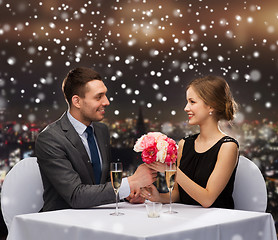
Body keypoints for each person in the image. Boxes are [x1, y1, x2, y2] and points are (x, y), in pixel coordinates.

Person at [35, 67, 156, 211]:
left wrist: (125, 194)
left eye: (105, 95)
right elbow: (76, 196)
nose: (107, 102)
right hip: (61, 224)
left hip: (97, 219)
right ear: (77, 102)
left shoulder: (101, 130)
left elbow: (102, 183)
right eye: (99, 97)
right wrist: (131, 182)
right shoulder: (50, 139)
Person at [141, 75, 239, 209]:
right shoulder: (184, 144)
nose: (186, 108)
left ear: (211, 106)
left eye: (192, 102)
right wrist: (159, 197)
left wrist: (171, 169)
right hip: (188, 218)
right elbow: (178, 194)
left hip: (217, 222)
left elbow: (207, 199)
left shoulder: (228, 147)